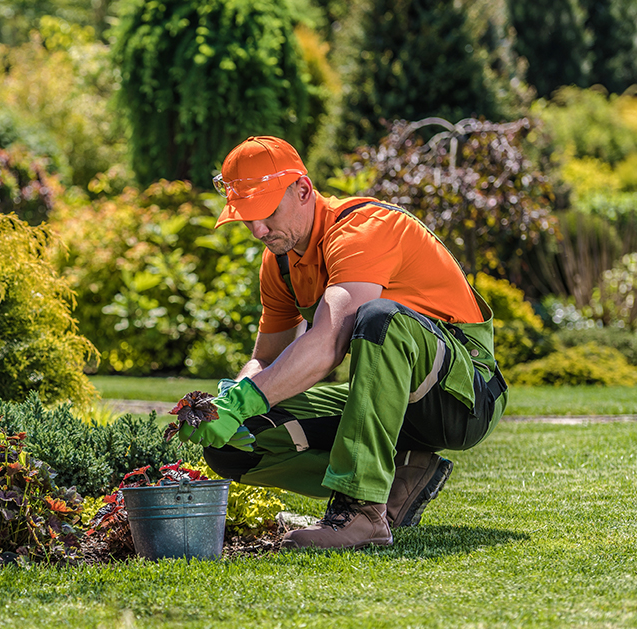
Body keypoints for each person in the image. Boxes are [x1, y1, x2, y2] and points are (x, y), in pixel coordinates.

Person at [174, 136, 508, 549]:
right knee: (234, 449)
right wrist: (225, 405)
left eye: (266, 213)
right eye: (246, 218)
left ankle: (362, 512)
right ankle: (402, 479)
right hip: (389, 398)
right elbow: (265, 360)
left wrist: (243, 400)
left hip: (462, 397)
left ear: (302, 190)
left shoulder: (361, 230)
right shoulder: (279, 261)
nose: (258, 230)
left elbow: (330, 341)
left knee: (379, 318)